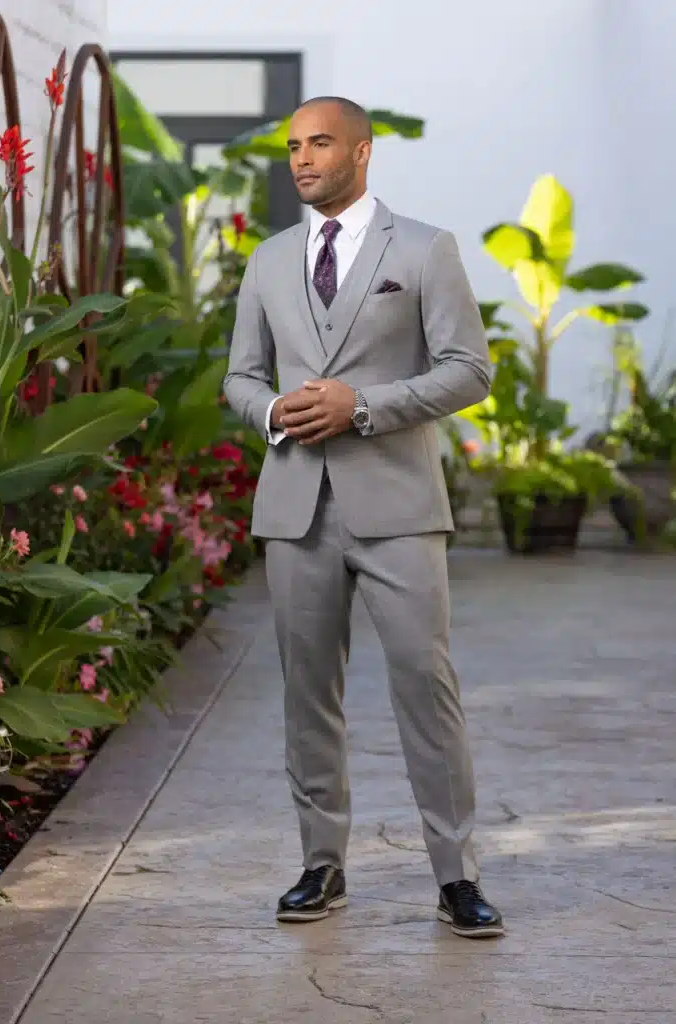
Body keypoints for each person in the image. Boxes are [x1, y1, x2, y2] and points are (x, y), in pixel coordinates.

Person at [224, 96, 503, 938]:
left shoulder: (422, 248)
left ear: (362, 151)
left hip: (399, 508)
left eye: (319, 144)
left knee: (426, 685)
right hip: (295, 510)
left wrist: (364, 406)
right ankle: (321, 866)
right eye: (293, 147)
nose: (302, 159)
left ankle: (455, 877)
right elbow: (240, 378)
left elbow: (469, 370)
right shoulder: (268, 261)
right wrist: (274, 413)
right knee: (310, 694)